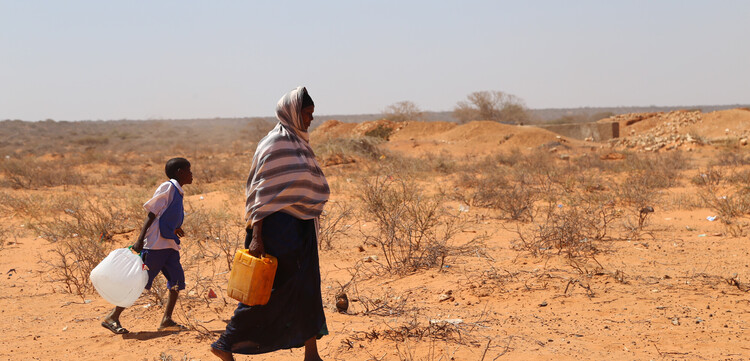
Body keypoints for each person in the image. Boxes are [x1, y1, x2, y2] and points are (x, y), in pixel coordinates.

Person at [211, 86, 329, 361]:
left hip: (302, 227)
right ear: (292, 113)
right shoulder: (273, 144)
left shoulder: (300, 143)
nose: (311, 120)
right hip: (276, 229)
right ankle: (225, 343)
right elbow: (261, 194)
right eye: (307, 114)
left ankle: (311, 353)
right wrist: (257, 236)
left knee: (307, 287)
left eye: (312, 114)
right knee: (272, 290)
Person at [100, 157, 193, 334]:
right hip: (156, 245)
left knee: (177, 280)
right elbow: (152, 214)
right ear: (180, 172)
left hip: (169, 244)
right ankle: (113, 316)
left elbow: (166, 214)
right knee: (139, 281)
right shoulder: (168, 187)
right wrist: (140, 239)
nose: (191, 174)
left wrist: (176, 227)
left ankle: (166, 320)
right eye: (189, 170)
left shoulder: (178, 190)